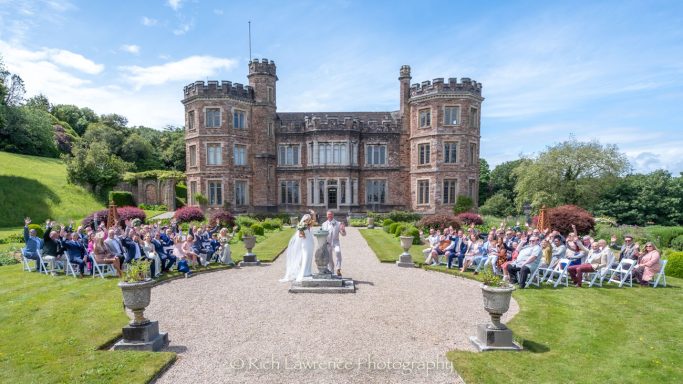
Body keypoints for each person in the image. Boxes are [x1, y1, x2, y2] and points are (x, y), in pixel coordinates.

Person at [280, 214, 314, 282]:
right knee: (305, 257)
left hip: (310, 243)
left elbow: (314, 221)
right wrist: (303, 235)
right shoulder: (302, 225)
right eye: (307, 219)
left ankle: (308, 271)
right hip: (305, 243)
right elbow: (300, 235)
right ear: (305, 219)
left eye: (309, 219)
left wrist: (314, 214)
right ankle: (303, 272)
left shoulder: (308, 225)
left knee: (309, 257)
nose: (308, 220)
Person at [322, 210, 346, 276]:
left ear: (333, 215)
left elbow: (343, 234)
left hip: (335, 242)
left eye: (331, 214)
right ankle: (331, 271)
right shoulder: (323, 224)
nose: (329, 215)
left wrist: (343, 230)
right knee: (329, 258)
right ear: (326, 215)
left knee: (338, 252)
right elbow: (322, 234)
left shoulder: (338, 223)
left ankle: (338, 268)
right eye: (328, 214)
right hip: (327, 243)